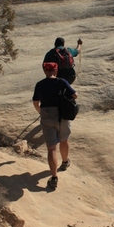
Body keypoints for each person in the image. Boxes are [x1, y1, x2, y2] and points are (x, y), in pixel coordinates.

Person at [32, 62, 78, 190]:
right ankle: (64, 162)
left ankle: (54, 178)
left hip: (47, 116)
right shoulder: (61, 82)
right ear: (56, 70)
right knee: (64, 140)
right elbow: (75, 95)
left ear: (45, 71)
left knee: (51, 148)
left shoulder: (40, 84)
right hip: (62, 116)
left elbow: (36, 102)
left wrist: (41, 112)